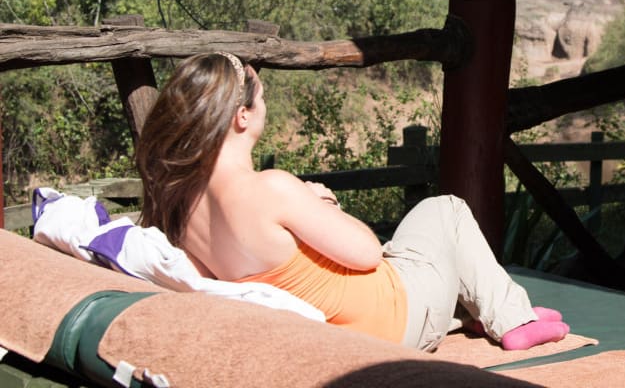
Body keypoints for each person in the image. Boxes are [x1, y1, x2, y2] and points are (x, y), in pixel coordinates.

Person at [135, 52, 569, 352]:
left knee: (421, 241)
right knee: (445, 211)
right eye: (262, 98)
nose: (265, 106)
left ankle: (477, 306)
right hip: (391, 322)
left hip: (335, 331)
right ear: (241, 115)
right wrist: (319, 203)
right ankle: (514, 320)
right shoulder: (270, 188)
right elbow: (367, 254)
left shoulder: (181, 207)